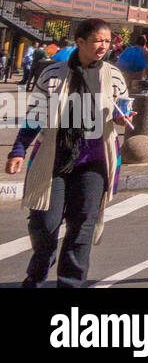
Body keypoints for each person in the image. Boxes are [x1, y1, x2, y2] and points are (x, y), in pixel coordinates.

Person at [5, 18, 133, 287]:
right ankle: (38, 273)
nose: (104, 46)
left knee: (82, 226)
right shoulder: (53, 74)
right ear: (81, 42)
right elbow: (35, 115)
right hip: (55, 158)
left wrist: (123, 119)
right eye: (98, 40)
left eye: (108, 42)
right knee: (45, 225)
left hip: (94, 162)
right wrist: (18, 150)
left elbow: (122, 110)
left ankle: (70, 282)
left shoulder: (114, 77)